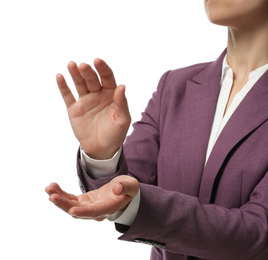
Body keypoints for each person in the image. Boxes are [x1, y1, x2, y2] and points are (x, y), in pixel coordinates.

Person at [45, 0, 268, 259]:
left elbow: (258, 230)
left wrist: (138, 203)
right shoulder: (174, 86)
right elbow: (121, 190)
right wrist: (103, 155)